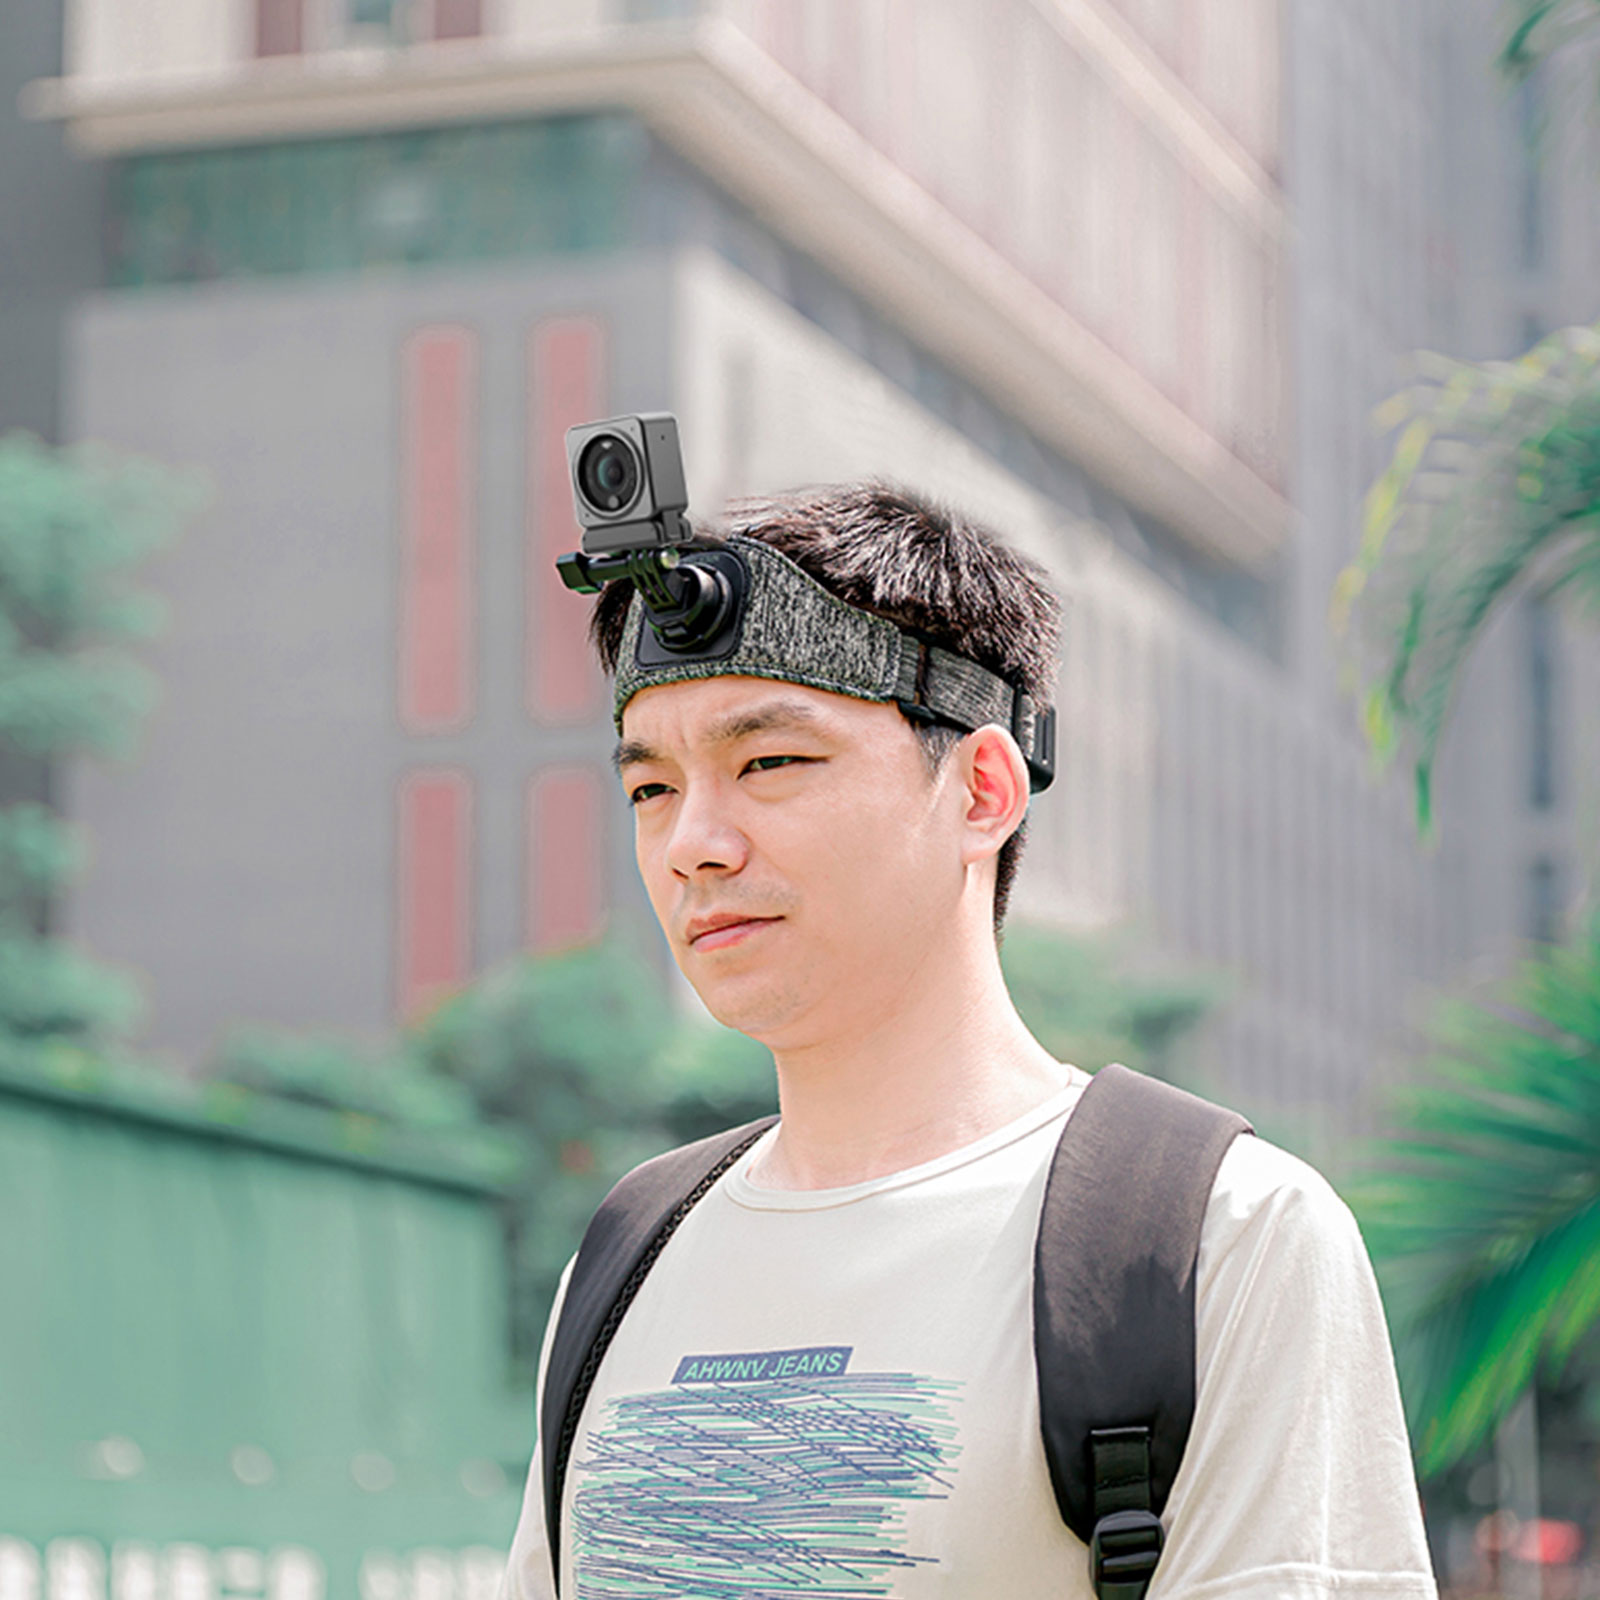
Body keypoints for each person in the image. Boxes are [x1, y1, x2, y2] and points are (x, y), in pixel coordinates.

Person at [501, 483, 1438, 1600]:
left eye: (769, 763)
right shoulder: (627, 1258)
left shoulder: (1219, 1239)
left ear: (983, 790)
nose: (691, 843)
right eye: (651, 787)